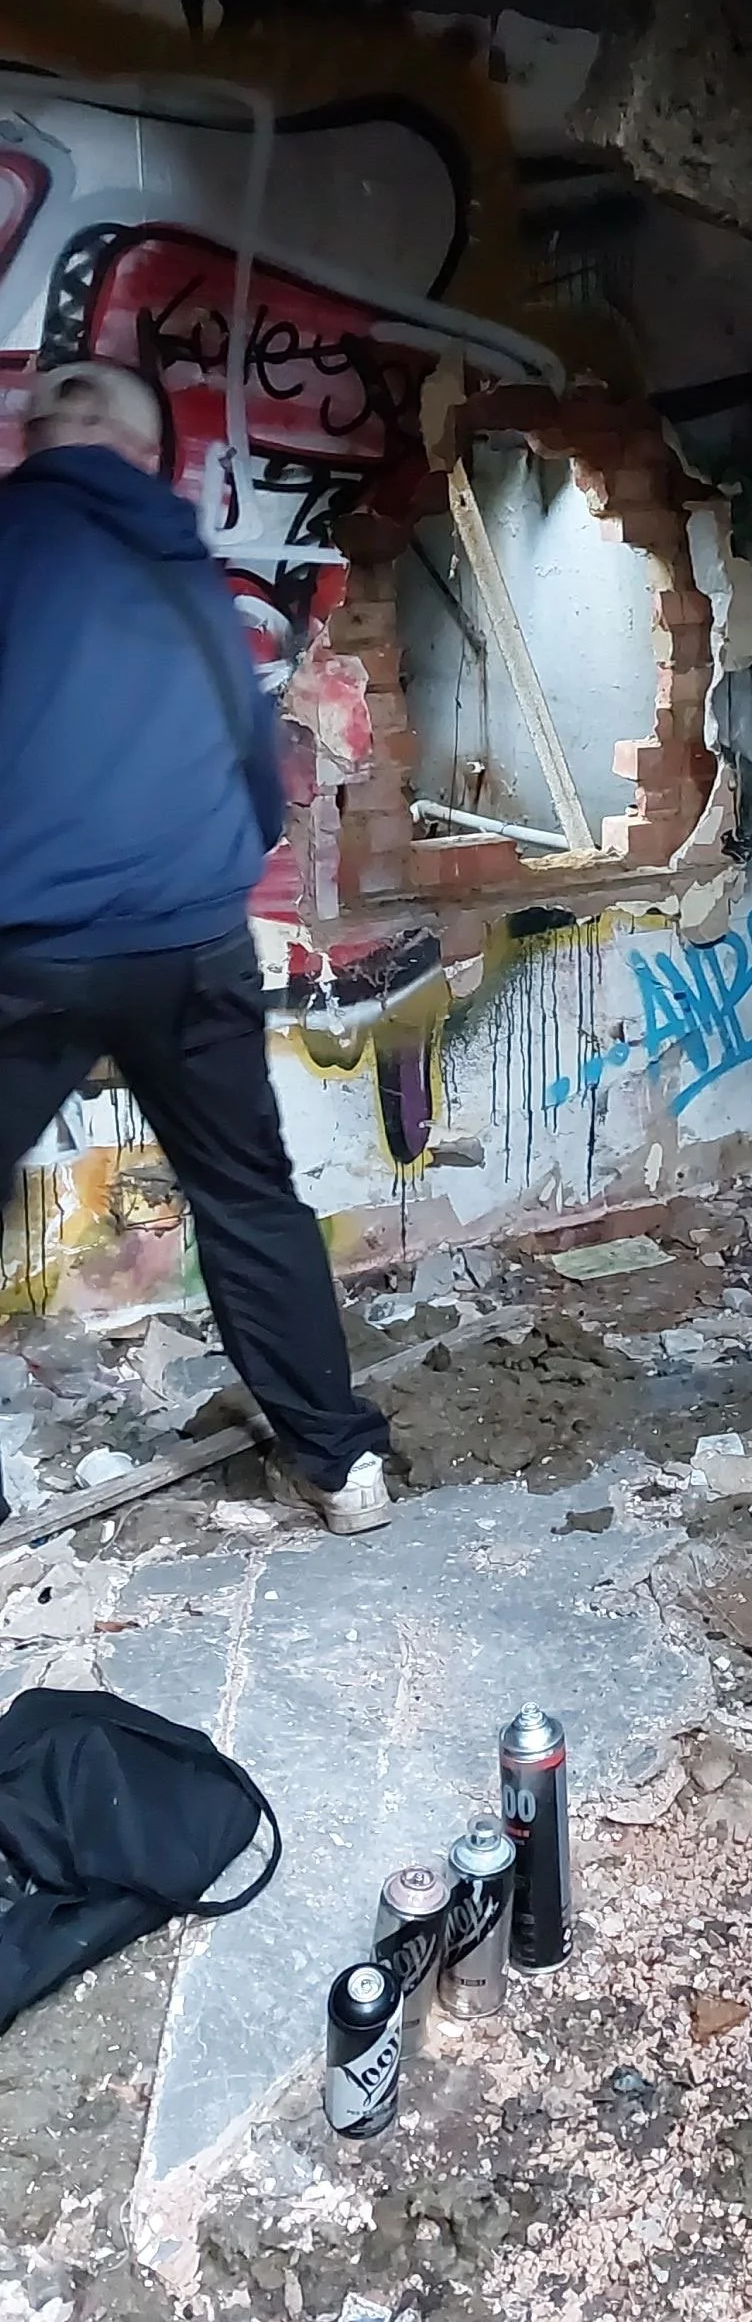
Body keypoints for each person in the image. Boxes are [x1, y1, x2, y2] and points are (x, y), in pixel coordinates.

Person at [0, 358, 391, 1533]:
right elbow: (254, 764)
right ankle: (340, 1466)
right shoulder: (182, 568)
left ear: (34, 439)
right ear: (142, 450)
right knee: (247, 1197)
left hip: (33, 951)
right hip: (190, 943)